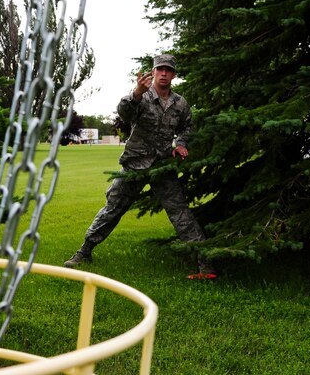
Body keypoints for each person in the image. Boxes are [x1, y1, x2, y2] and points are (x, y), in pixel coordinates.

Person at [63, 54, 215, 277]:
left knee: (180, 213)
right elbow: (123, 113)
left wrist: (180, 143)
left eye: (168, 70)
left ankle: (205, 264)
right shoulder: (141, 97)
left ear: (173, 74)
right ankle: (84, 251)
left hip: (161, 166)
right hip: (135, 165)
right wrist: (135, 94)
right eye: (160, 69)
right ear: (153, 72)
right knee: (113, 209)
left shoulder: (180, 103)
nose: (163, 73)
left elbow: (187, 127)